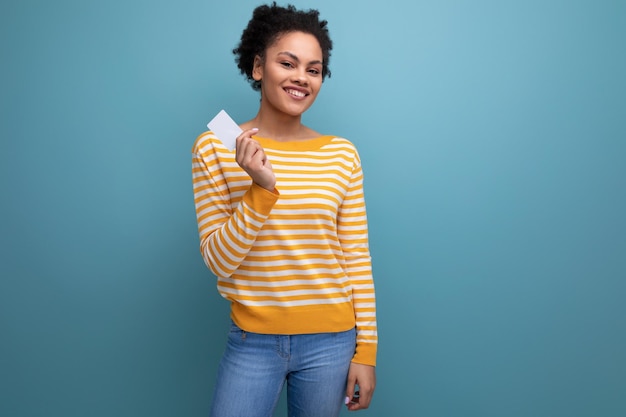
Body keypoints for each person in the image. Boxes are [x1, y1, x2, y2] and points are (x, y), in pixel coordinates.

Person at [191, 3, 377, 416]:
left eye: (314, 69)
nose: (301, 78)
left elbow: (357, 257)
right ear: (258, 67)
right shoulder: (216, 147)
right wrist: (260, 188)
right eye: (287, 63)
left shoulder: (341, 155)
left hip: (332, 340)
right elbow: (220, 262)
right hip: (251, 341)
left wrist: (367, 352)